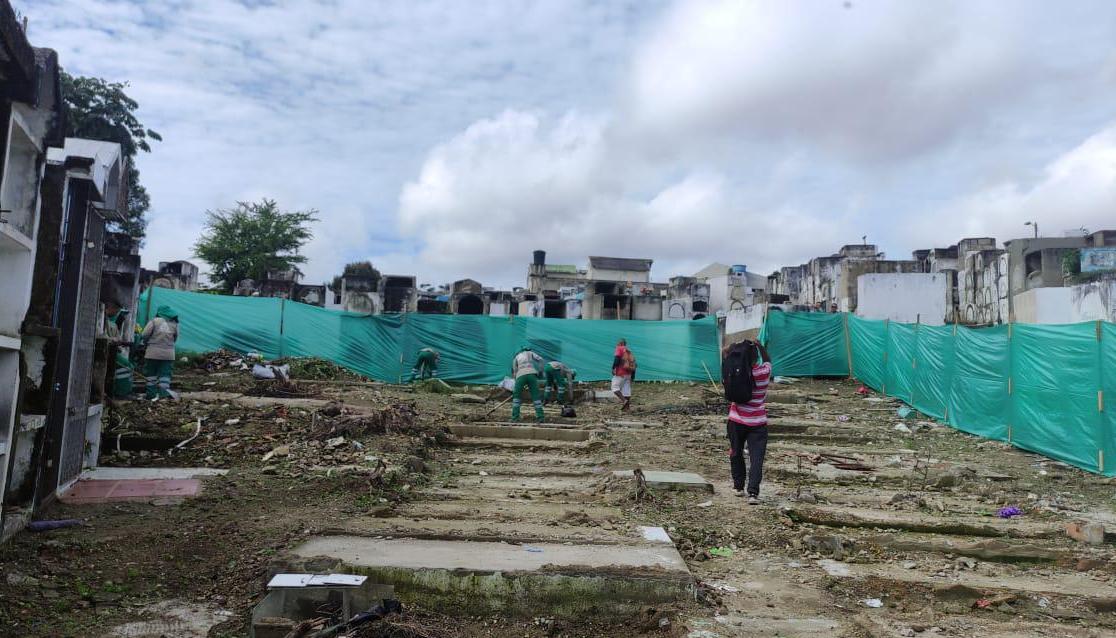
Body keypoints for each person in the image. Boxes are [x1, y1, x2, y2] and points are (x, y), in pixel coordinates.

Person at [724, 339, 771, 504]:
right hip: (758, 422)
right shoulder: (764, 372)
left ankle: (738, 486)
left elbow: (725, 352)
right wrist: (759, 346)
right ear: (755, 357)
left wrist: (736, 347)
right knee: (756, 458)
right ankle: (753, 493)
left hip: (736, 420)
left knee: (735, 452)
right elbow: (768, 360)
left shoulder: (733, 372)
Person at [141, 305, 179, 400]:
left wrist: (146, 342)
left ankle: (151, 395)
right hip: (168, 354)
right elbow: (175, 338)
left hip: (152, 353)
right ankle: (164, 394)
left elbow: (144, 334)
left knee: (151, 374)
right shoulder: (174, 323)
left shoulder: (154, 321)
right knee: (165, 375)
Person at [103, 302, 134, 398]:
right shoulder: (103, 320)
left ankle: (123, 390)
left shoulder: (113, 324)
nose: (117, 313)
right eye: (116, 310)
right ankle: (120, 392)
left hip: (112, 351)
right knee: (126, 367)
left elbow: (117, 338)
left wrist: (119, 344)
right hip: (105, 352)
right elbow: (104, 337)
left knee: (129, 366)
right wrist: (115, 341)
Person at [510, 346, 545, 423]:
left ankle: (515, 418)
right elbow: (541, 360)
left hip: (520, 376)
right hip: (532, 374)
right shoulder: (531, 353)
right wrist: (540, 371)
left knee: (517, 397)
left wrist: (518, 384)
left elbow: (515, 372)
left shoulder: (516, 357)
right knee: (536, 396)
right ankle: (541, 417)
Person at [611, 339, 635, 411]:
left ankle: (624, 400)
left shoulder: (619, 348)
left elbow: (617, 359)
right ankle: (627, 408)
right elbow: (633, 362)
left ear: (620, 343)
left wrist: (613, 368)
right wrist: (633, 376)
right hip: (629, 373)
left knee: (614, 387)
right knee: (626, 390)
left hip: (621, 373)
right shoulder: (629, 351)